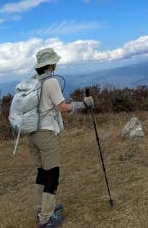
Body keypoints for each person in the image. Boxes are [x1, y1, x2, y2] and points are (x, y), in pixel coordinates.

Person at [27, 48, 94, 228]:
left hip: (32, 134)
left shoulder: (33, 83)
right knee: (52, 174)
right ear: (50, 64)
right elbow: (63, 107)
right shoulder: (51, 82)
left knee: (42, 172)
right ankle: (46, 219)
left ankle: (41, 210)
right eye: (54, 62)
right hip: (46, 133)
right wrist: (84, 104)